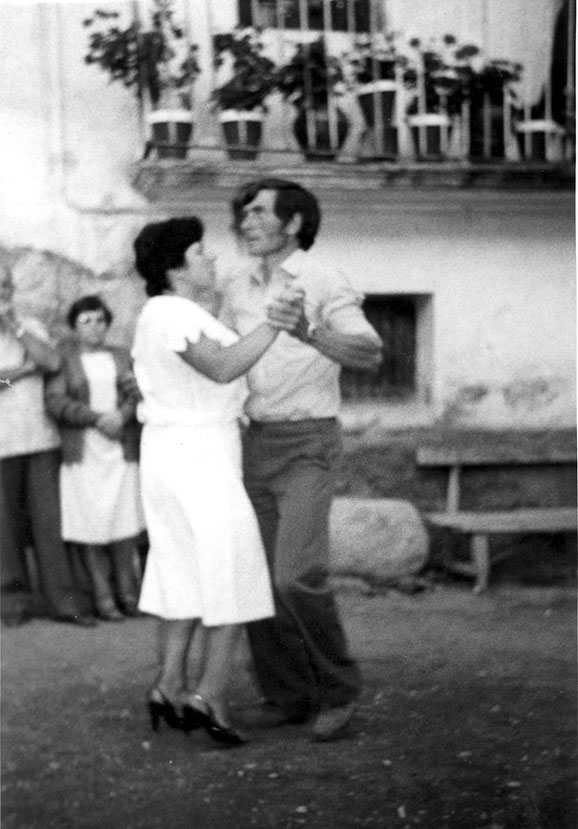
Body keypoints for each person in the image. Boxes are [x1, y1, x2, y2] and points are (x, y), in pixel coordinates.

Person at [220, 178, 384, 741]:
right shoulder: (235, 282)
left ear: (293, 223)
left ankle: (338, 691)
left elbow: (370, 352)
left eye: (261, 212)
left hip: (308, 442)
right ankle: (286, 695)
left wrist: (309, 331)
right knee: (259, 577)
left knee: (297, 575)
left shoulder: (323, 278)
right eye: (245, 212)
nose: (248, 221)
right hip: (250, 441)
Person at [131, 217, 303, 747]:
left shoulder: (170, 312)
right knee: (234, 569)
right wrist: (275, 323)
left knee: (181, 570)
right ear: (175, 268)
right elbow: (224, 367)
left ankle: (169, 684)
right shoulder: (170, 312)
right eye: (200, 252)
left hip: (174, 450)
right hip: (197, 454)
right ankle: (212, 696)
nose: (211, 260)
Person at [0, 252, 95, 627]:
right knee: (3, 530)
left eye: (7, 283)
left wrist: (15, 328)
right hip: (1, 445)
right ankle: (14, 603)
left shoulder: (29, 326)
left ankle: (63, 601)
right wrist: (23, 370)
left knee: (50, 525)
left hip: (40, 439)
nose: (4, 290)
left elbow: (52, 363)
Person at [44, 295, 145, 622]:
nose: (94, 327)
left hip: (119, 447)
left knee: (124, 522)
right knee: (91, 525)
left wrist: (122, 415)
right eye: (86, 321)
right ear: (74, 326)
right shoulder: (64, 358)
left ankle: (128, 594)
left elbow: (137, 393)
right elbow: (55, 401)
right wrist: (96, 418)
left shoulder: (121, 355)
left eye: (100, 320)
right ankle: (103, 598)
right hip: (84, 451)